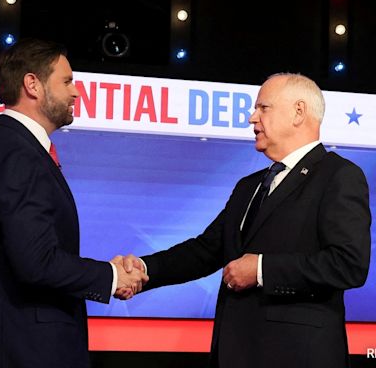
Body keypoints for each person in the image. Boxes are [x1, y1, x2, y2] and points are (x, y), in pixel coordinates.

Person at [117, 73, 371, 368]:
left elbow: (348, 265)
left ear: (298, 112)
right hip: (234, 354)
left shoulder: (339, 176)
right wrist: (145, 269)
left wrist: (262, 269)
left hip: (297, 356)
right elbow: (206, 249)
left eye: (263, 108)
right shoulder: (249, 186)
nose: (252, 118)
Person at [0, 38, 148, 368]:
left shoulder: (5, 146)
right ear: (32, 84)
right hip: (26, 352)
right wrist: (112, 277)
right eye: (67, 81)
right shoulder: (19, 154)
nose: (75, 92)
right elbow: (35, 262)